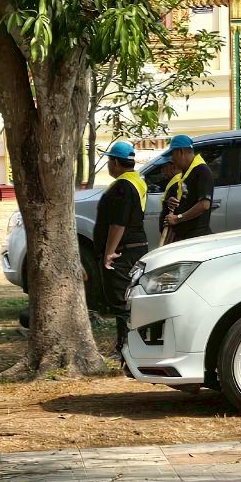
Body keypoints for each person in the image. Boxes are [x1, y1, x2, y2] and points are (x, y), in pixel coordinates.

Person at [88, 139, 149, 359]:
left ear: (115, 162)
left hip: (123, 251)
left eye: (109, 161)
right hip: (136, 247)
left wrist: (109, 253)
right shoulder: (137, 181)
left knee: (122, 300)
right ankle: (126, 347)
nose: (108, 166)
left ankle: (126, 349)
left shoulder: (122, 187)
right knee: (129, 298)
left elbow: (118, 223)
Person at [159, 133, 212, 248]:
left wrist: (178, 218)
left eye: (172, 154)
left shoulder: (201, 170)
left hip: (196, 238)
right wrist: (173, 201)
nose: (172, 159)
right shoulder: (186, 172)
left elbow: (204, 204)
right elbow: (188, 198)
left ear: (180, 152)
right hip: (185, 237)